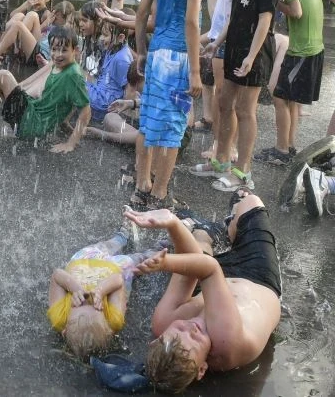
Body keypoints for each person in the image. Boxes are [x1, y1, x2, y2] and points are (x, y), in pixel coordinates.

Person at [124, 193, 281, 394]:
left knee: (199, 243)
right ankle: (226, 225)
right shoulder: (227, 342)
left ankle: (210, 232)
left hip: (211, 281)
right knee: (251, 201)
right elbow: (209, 269)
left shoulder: (163, 324)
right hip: (258, 276)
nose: (192, 327)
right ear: (202, 369)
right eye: (196, 338)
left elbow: (188, 271)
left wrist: (172, 224)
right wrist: (166, 262)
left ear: (156, 339)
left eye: (179, 329)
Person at [130, 0, 218, 210]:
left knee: (149, 120)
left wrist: (142, 51)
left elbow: (141, 14)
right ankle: (160, 194)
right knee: (172, 129)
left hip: (156, 54)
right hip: (179, 59)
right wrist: (195, 71)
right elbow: (192, 23)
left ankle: (142, 185)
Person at [195, 0, 279, 192]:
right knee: (223, 102)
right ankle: (221, 160)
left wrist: (251, 56)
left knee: (245, 110)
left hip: (254, 51)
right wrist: (217, 42)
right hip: (233, 47)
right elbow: (235, 15)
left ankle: (243, 171)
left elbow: (265, 20)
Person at [48, 220, 166, 359]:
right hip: (115, 268)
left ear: (64, 329)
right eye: (97, 306)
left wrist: (75, 288)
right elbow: (118, 280)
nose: (88, 297)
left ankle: (122, 234)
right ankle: (164, 246)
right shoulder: (114, 320)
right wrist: (101, 291)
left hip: (84, 259)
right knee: (141, 262)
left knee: (108, 245)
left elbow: (57, 275)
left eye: (80, 302)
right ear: (108, 328)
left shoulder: (59, 318)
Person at [0, 26, 91, 153]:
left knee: (3, 77)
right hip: (31, 113)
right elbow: (67, 101)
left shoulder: (73, 75)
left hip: (33, 125)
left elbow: (85, 110)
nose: (58, 55)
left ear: (75, 50)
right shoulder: (60, 66)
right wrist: (65, 125)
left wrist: (71, 143)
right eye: (54, 49)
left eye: (64, 50)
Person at [253, 0, 323, 165]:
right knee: (291, 99)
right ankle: (289, 146)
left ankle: (281, 150)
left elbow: (297, 12)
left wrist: (276, 3)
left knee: (279, 97)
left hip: (303, 51)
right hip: (311, 49)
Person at [196, 0, 233, 133]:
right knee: (206, 80)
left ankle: (218, 126)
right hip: (213, 36)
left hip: (220, 39)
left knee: (219, 86)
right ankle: (208, 117)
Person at [85, 18, 133, 123]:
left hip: (105, 104)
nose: (102, 38)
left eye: (106, 35)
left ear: (120, 38)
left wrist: (122, 117)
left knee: (71, 79)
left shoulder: (121, 59)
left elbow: (130, 90)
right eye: (102, 34)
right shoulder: (111, 49)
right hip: (100, 94)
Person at [85, 61, 143, 145]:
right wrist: (131, 103)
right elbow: (150, 101)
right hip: (147, 131)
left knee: (142, 139)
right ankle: (131, 136)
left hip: (156, 143)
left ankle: (130, 138)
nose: (138, 93)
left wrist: (101, 134)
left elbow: (142, 138)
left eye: (139, 89)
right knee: (110, 117)